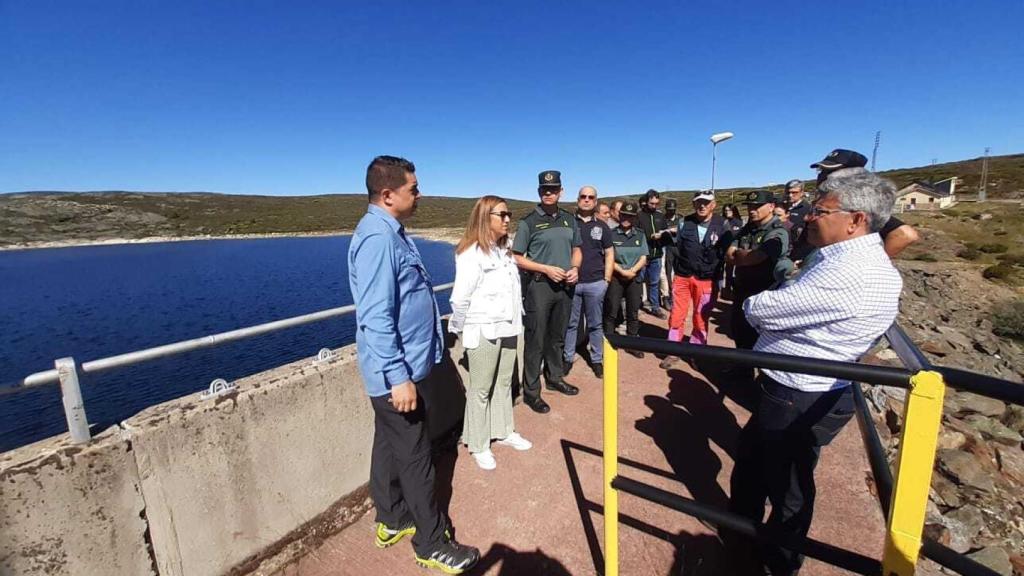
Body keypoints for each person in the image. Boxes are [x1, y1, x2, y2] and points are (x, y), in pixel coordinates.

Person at [728, 168, 902, 576]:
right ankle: (742, 531)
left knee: (787, 482)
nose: (808, 216)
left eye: (820, 211)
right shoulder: (840, 257)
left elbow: (761, 309)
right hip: (800, 385)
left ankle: (778, 561)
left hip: (798, 390)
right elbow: (788, 295)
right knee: (756, 461)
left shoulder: (851, 273)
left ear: (856, 220)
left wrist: (769, 302)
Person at [348, 155, 479, 573]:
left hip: (412, 362)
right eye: (414, 188)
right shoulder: (377, 239)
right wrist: (398, 377)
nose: (420, 194)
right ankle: (431, 543)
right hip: (398, 372)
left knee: (389, 444)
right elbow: (375, 316)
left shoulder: (391, 232)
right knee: (417, 457)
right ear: (388, 195)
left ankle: (390, 518)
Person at [449, 196, 533, 471]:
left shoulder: (504, 251)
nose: (508, 219)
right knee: (481, 389)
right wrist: (460, 329)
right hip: (483, 329)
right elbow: (459, 299)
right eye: (502, 215)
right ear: (486, 218)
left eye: (509, 214)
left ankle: (504, 430)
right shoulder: (471, 253)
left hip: (508, 326)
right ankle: (479, 443)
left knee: (504, 382)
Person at [513, 170, 583, 414]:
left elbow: (577, 249)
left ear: (561, 191)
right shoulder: (528, 222)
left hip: (564, 286)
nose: (548, 193)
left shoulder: (569, 219)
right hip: (540, 286)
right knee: (536, 339)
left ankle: (555, 378)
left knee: (557, 337)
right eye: (544, 189)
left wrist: (575, 267)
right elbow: (517, 258)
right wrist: (544, 268)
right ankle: (532, 392)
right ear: (539, 191)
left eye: (553, 189)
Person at [809, 149, 920, 257]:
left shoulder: (857, 207)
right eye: (821, 171)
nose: (822, 176)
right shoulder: (829, 201)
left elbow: (906, 235)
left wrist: (872, 262)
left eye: (829, 172)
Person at [660, 191, 727, 369]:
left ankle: (697, 353)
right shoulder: (684, 223)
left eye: (706, 202)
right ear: (693, 204)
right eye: (699, 203)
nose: (702, 206)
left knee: (700, 316)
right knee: (676, 314)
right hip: (683, 276)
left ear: (713, 204)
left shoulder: (723, 224)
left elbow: (726, 252)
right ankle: (673, 350)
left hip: (707, 279)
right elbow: (679, 247)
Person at [726, 190, 790, 351]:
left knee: (762, 340)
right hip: (742, 290)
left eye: (757, 206)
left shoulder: (777, 231)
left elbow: (756, 257)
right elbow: (729, 254)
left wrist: (740, 255)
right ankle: (742, 370)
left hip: (764, 293)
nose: (752, 210)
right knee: (740, 333)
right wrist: (742, 256)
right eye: (750, 207)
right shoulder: (748, 228)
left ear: (771, 207)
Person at [564, 186, 614, 378]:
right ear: (578, 199)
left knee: (595, 324)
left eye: (590, 197)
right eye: (583, 196)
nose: (586, 200)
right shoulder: (568, 223)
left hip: (595, 283)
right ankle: (567, 358)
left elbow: (609, 252)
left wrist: (606, 280)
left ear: (595, 201)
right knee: (571, 323)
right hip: (572, 282)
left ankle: (597, 360)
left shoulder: (602, 226)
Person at [604, 201, 647, 358]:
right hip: (616, 276)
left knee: (633, 311)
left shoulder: (640, 235)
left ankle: (631, 343)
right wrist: (622, 270)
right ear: (619, 215)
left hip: (634, 277)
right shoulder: (611, 234)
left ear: (635, 218)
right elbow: (609, 257)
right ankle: (608, 342)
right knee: (611, 310)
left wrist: (632, 271)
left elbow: (643, 257)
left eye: (630, 216)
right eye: (623, 215)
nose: (626, 218)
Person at [636, 189, 668, 319]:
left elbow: (665, 231)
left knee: (654, 282)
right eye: (651, 203)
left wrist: (664, 235)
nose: (654, 206)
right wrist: (649, 237)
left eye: (656, 203)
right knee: (638, 281)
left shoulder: (660, 216)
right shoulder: (639, 216)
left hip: (657, 254)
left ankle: (655, 307)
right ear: (646, 201)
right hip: (643, 255)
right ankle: (636, 306)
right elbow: (636, 235)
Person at [662, 198, 681, 311]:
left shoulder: (680, 219)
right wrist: (668, 231)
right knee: (668, 273)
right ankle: (669, 295)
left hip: (678, 247)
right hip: (667, 247)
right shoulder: (663, 219)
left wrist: (678, 231)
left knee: (679, 272)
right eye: (669, 210)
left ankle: (677, 294)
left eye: (673, 210)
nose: (671, 212)